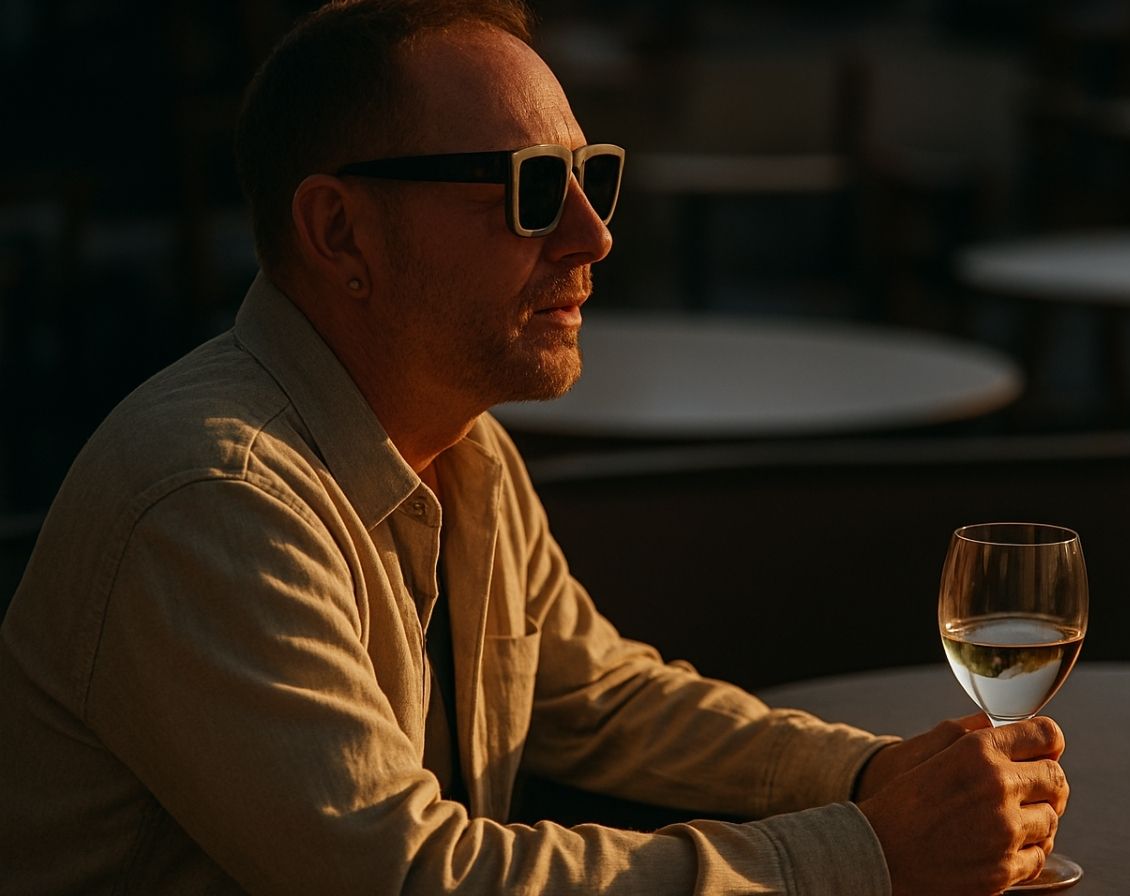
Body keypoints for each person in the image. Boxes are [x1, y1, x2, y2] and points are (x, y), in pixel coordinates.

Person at [0, 2, 1069, 893]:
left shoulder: (463, 449)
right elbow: (412, 876)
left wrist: (878, 774)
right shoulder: (216, 498)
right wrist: (865, 854)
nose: (593, 235)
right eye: (530, 189)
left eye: (591, 176)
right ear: (338, 232)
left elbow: (600, 700)